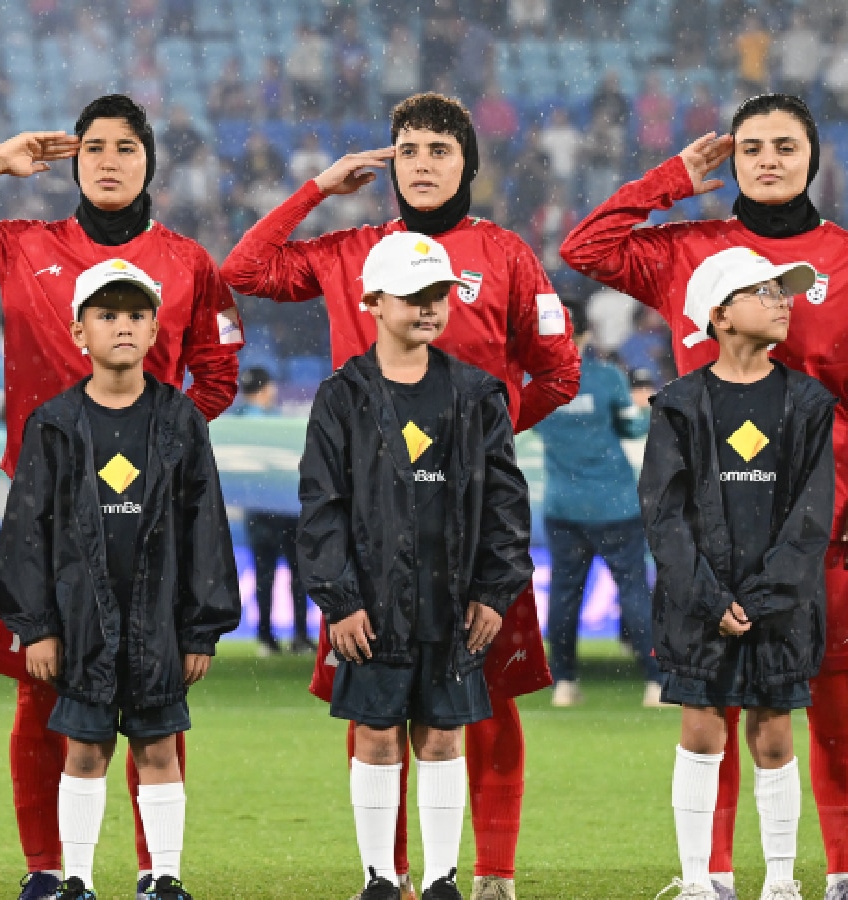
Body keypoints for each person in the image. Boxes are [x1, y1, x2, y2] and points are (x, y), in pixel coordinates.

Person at [221, 92, 577, 900]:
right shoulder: (349, 249)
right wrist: (315, 190)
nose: (422, 163)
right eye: (408, 148)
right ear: (388, 162)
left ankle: (492, 875)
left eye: (440, 150)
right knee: (375, 707)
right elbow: (240, 271)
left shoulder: (509, 255)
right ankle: (391, 877)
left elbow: (561, 370)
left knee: (486, 703)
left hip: (471, 523)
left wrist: (480, 438)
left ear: (467, 166)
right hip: (372, 527)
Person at [0, 93, 242, 900]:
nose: (109, 160)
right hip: (46, 520)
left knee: (154, 702)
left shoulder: (189, 262)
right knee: (39, 697)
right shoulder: (26, 245)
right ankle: (51, 871)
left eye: (125, 147)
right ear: (72, 162)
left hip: (149, 521)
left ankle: (158, 874)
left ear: (150, 161)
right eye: (92, 148)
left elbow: (217, 374)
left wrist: (161, 447)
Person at [561, 93, 848, 900]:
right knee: (713, 704)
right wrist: (669, 180)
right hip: (706, 519)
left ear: (813, 158)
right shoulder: (686, 247)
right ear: (729, 158)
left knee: (830, 693)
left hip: (823, 513)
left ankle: (845, 872)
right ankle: (715, 877)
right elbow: (583, 247)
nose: (767, 159)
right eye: (751, 146)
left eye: (785, 146)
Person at [0, 258, 241, 900]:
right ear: (79, 332)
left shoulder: (181, 420)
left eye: (135, 315)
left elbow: (204, 527)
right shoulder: (52, 423)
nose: (122, 326)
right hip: (78, 625)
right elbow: (26, 534)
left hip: (158, 622)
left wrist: (202, 629)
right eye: (106, 315)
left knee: (158, 750)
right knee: (84, 751)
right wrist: (37, 627)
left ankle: (163, 877)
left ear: (156, 329)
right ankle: (75, 879)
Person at [297, 234, 532, 900]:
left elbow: (506, 504)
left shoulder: (478, 393)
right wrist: (339, 601)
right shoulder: (342, 396)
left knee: (442, 736)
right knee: (375, 736)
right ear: (371, 301)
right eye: (414, 295)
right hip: (371, 606)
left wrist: (493, 590)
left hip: (454, 602)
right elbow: (321, 507)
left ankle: (440, 880)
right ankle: (378, 879)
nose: (430, 307)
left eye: (439, 295)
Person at [640, 248, 834, 900]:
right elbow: (663, 514)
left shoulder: (808, 402)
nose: (782, 300)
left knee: (775, 733)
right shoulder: (679, 404)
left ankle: (780, 883)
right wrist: (707, 596)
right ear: (719, 316)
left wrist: (760, 596)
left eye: (784, 290)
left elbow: (812, 516)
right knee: (699, 731)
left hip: (779, 606)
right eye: (763, 291)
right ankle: (697, 881)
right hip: (700, 606)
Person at [532, 303, 660, 707]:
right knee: (634, 592)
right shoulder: (605, 377)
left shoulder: (536, 385)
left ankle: (564, 683)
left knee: (565, 595)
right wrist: (643, 407)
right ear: (586, 336)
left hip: (563, 505)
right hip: (614, 504)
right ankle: (655, 683)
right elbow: (633, 426)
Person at [232, 367, 311, 656]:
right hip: (288, 510)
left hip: (258, 511)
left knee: (265, 575)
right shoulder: (278, 424)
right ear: (267, 389)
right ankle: (300, 636)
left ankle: (265, 637)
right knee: (298, 575)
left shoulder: (236, 423)